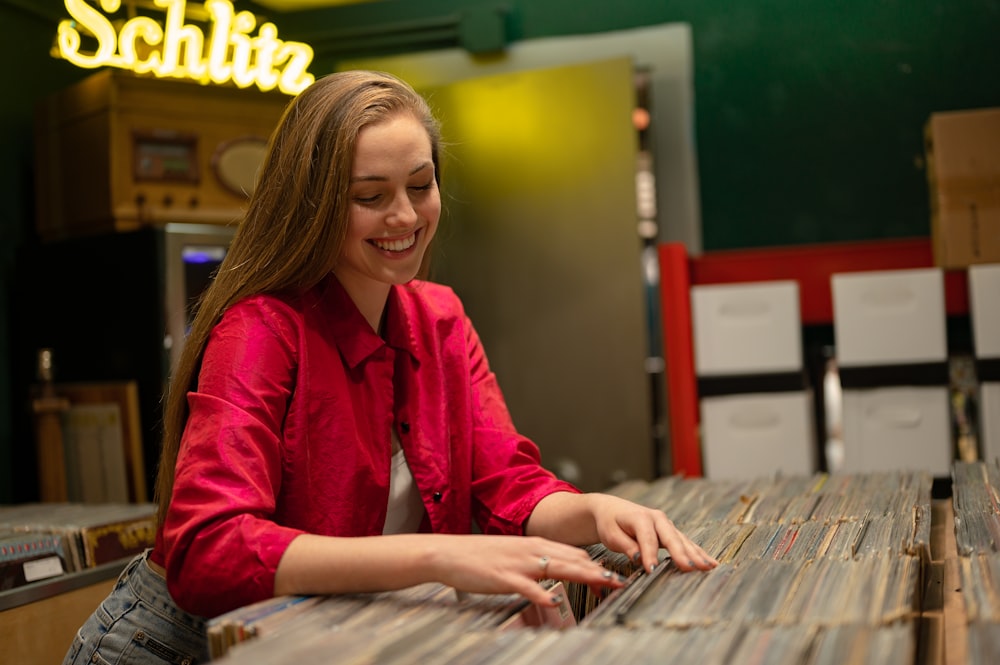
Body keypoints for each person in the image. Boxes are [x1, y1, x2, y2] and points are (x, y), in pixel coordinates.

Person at [63, 70, 718, 665]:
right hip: (171, 647)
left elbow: (506, 484)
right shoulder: (259, 328)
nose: (404, 216)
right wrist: (435, 557)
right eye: (370, 196)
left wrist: (596, 512)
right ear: (313, 205)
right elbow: (208, 549)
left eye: (420, 184)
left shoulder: (440, 317)